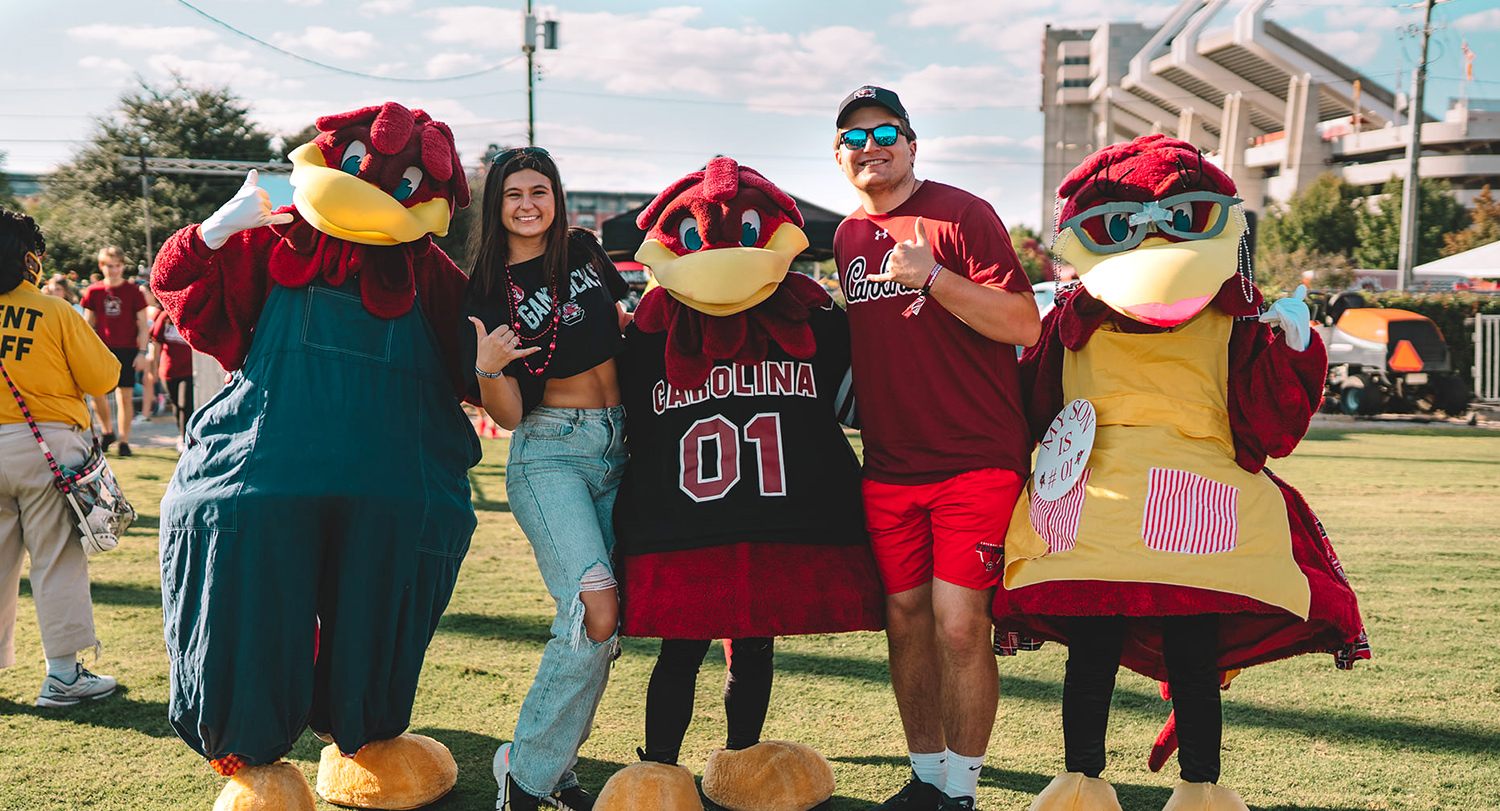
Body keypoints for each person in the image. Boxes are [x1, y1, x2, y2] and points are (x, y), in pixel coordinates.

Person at [613, 158, 884, 806]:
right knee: (695, 651)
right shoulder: (651, 331)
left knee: (737, 646)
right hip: (704, 525)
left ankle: (719, 767)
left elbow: (861, 403)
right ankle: (669, 769)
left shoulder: (811, 321)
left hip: (728, 523)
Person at [830, 86, 1041, 811]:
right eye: (853, 138)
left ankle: (962, 788)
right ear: (839, 156)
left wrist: (937, 276)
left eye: (885, 132)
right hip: (889, 467)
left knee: (959, 625)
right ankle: (926, 778)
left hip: (975, 458)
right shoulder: (848, 237)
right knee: (905, 621)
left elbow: (1024, 324)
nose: (870, 147)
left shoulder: (963, 214)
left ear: (913, 144)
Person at [463, 146, 629, 811]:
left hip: (622, 446)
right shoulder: (482, 290)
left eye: (541, 190)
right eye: (514, 194)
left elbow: (623, 330)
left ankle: (552, 771)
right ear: (495, 204)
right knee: (595, 607)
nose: (529, 204)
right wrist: (487, 365)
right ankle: (525, 778)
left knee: (605, 627)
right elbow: (507, 412)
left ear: (557, 197)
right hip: (549, 453)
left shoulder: (585, 252)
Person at [0, 210, 122, 707]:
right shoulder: (55, 311)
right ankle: (64, 676)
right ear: (30, 259)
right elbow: (103, 378)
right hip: (46, 443)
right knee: (56, 559)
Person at [80, 247, 147, 456]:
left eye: (118, 265)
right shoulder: (93, 291)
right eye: (110, 266)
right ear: (102, 267)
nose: (114, 270)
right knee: (96, 393)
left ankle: (124, 441)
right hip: (102, 349)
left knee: (125, 396)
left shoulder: (134, 291)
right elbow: (87, 324)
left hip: (128, 348)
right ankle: (108, 432)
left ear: (123, 267)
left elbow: (144, 325)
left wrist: (142, 352)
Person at [147, 307, 193, 452]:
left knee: (185, 405)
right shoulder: (165, 316)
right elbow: (156, 343)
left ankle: (186, 438)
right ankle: (181, 435)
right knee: (176, 405)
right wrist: (153, 369)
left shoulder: (193, 314)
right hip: (168, 371)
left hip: (188, 369)